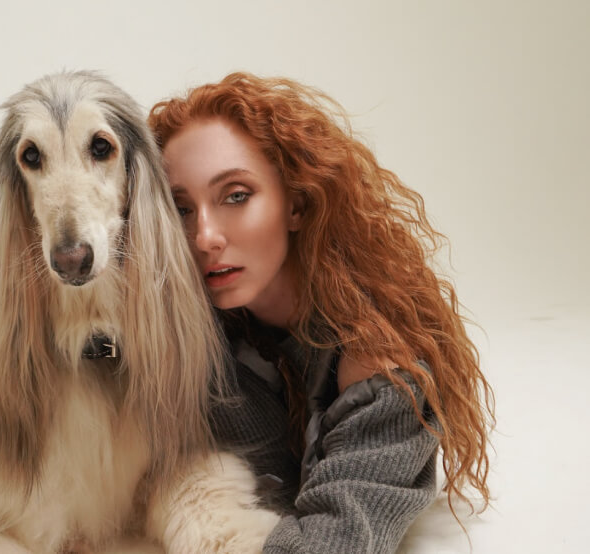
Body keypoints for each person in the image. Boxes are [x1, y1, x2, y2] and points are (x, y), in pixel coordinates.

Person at [148, 72, 494, 553]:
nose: (205, 236)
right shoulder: (189, 331)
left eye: (236, 195)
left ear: (296, 204)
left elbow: (331, 543)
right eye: (181, 208)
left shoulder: (381, 371)